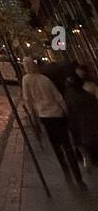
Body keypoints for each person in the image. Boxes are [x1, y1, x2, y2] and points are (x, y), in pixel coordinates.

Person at [22, 59, 84, 188]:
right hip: (57, 113)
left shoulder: (26, 80)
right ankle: (77, 175)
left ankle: (65, 168)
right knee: (66, 143)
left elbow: (28, 99)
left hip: (44, 115)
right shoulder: (45, 79)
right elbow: (58, 97)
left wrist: (33, 115)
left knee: (55, 144)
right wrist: (66, 112)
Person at [64, 72, 98, 170]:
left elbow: (69, 112)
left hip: (81, 127)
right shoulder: (88, 96)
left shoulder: (69, 95)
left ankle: (86, 160)